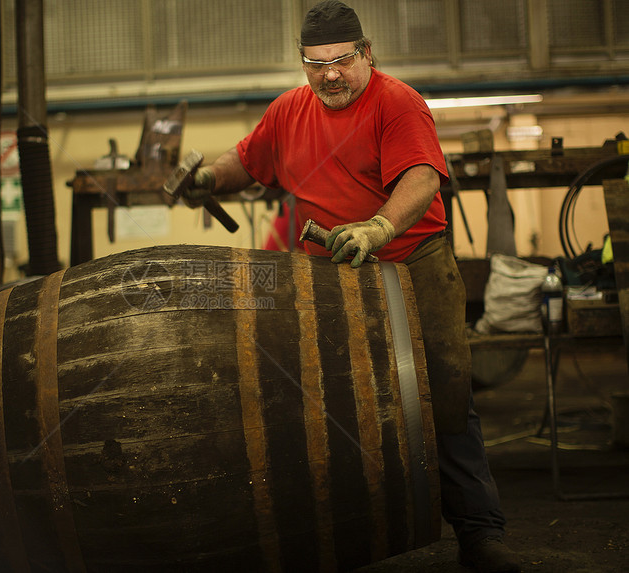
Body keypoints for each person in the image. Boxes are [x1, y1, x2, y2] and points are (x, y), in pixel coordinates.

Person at [182, 2, 521, 572]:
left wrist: (379, 226)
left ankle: (479, 533)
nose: (329, 75)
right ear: (303, 64)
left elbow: (422, 176)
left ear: (367, 53)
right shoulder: (290, 111)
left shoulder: (397, 102)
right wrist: (209, 178)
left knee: (445, 392)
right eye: (316, 64)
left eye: (340, 60)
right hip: (327, 277)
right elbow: (248, 158)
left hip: (413, 263)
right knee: (325, 402)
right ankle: (343, 529)